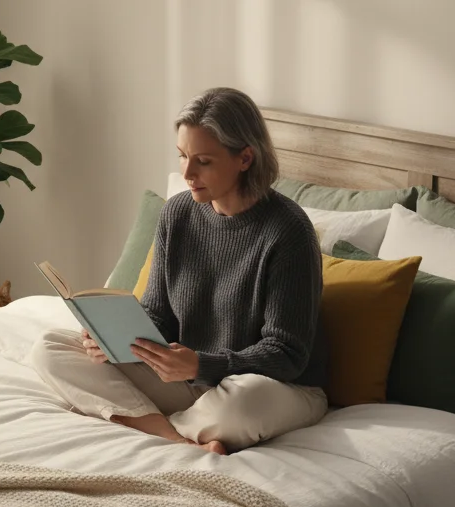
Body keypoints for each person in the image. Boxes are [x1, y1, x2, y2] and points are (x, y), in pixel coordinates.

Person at [29, 87, 328, 455]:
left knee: (245, 404)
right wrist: (113, 340)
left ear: (245, 158)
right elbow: (159, 315)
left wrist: (201, 364)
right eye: (183, 156)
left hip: (269, 386)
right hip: (186, 378)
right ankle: (176, 438)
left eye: (203, 160)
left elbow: (287, 355)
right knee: (51, 349)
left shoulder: (288, 231)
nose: (186, 172)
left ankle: (146, 421)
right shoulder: (178, 213)